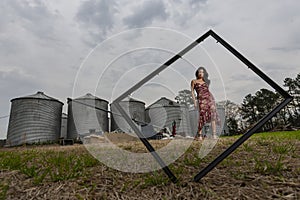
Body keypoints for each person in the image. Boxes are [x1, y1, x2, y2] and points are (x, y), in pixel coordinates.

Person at [191, 67, 219, 140]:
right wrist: (194, 102)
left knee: (213, 115)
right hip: (201, 100)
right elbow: (192, 92)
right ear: (197, 73)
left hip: (209, 99)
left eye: (202, 72)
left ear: (204, 74)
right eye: (199, 72)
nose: (201, 73)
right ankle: (199, 135)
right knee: (202, 116)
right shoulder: (194, 81)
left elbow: (207, 91)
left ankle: (214, 135)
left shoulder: (206, 81)